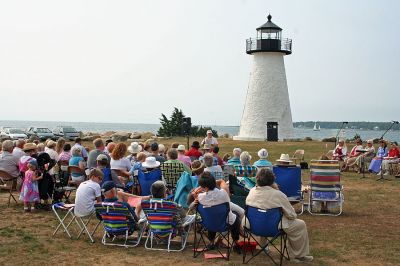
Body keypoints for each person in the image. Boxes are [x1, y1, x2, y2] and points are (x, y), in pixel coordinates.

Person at [244, 168, 313, 262]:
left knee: (263, 214)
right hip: (273, 227)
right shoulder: (278, 194)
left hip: (253, 225)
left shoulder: (252, 191)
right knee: (300, 224)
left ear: (257, 179)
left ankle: (263, 247)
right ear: (272, 180)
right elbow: (292, 215)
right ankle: (299, 255)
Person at [196, 172, 243, 253]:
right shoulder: (224, 193)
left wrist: (199, 189)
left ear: (205, 188)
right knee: (236, 218)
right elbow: (222, 181)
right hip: (225, 224)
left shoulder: (200, 198)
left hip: (209, 224)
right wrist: (214, 182)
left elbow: (194, 199)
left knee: (211, 216)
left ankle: (211, 242)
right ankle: (236, 243)